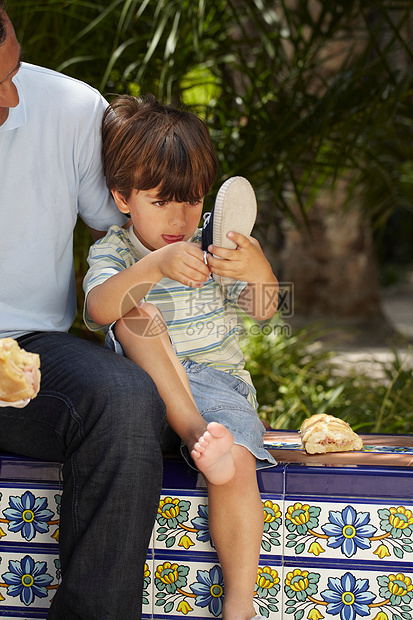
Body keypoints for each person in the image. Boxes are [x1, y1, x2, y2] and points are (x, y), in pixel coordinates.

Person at [83, 93, 279, 620]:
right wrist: (156, 267)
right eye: (161, 200)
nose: (179, 216)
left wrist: (257, 269)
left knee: (236, 463)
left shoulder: (215, 249)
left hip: (218, 389)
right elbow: (101, 308)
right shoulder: (115, 253)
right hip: (145, 394)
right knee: (133, 314)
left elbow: (265, 314)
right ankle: (195, 434)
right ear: (123, 197)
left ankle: (241, 608)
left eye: (191, 199)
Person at [0, 4, 166, 619]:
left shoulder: (71, 107)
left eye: (12, 68)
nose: (12, 96)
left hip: (34, 349)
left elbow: (130, 225)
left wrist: (232, 272)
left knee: (126, 399)